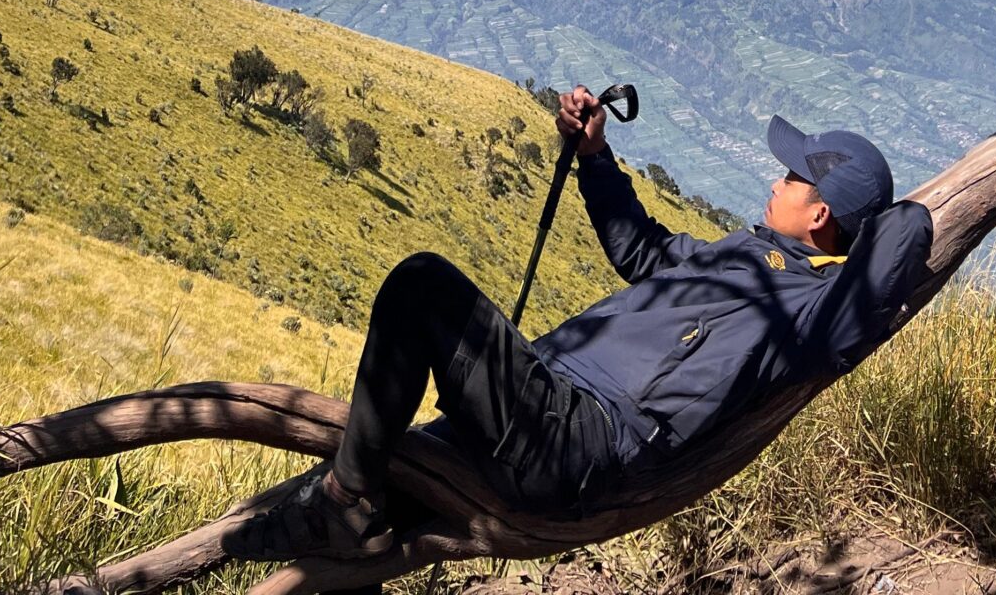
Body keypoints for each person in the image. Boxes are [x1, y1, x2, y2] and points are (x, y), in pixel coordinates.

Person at [227, 87, 933, 562]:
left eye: (794, 179)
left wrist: (890, 208)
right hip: (547, 395)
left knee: (422, 285)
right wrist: (594, 153)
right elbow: (644, 250)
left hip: (580, 440)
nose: (775, 181)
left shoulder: (816, 316)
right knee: (307, 501)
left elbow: (907, 227)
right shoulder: (748, 252)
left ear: (820, 216)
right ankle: (312, 518)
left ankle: (345, 508)